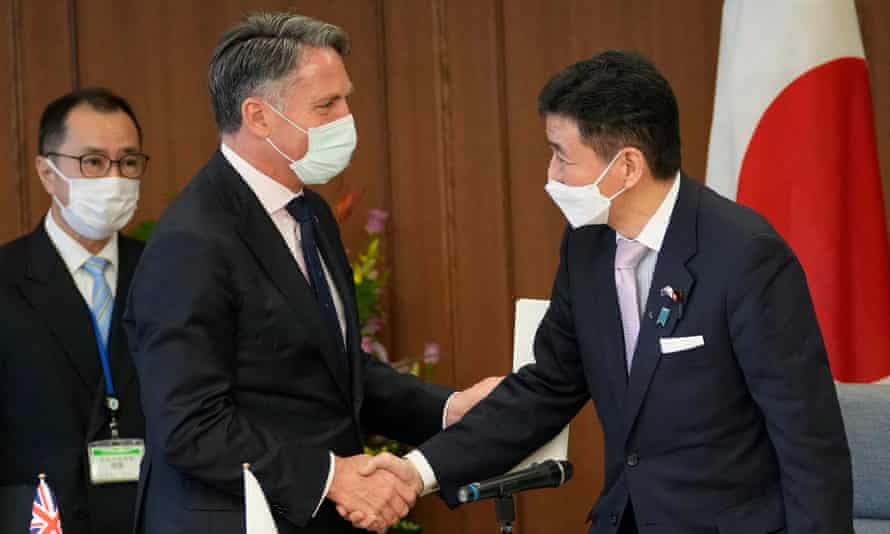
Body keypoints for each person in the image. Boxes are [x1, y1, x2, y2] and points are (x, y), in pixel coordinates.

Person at [363, 50, 854, 534]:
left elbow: (808, 440)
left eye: (562, 156)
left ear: (628, 166)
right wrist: (417, 470)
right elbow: (547, 387)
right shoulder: (586, 245)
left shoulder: (746, 256)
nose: (550, 176)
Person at [123, 12, 498, 534]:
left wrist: (450, 408)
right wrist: (333, 476)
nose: (348, 119)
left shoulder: (310, 213)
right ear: (258, 116)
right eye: (327, 105)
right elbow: (189, 426)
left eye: (346, 99)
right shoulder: (193, 240)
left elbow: (334, 368)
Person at [0, 88, 148, 534]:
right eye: (93, 162)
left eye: (128, 162)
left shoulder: (167, 271)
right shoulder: (6, 279)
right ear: (47, 172)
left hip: (153, 514)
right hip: (44, 517)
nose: (113, 177)